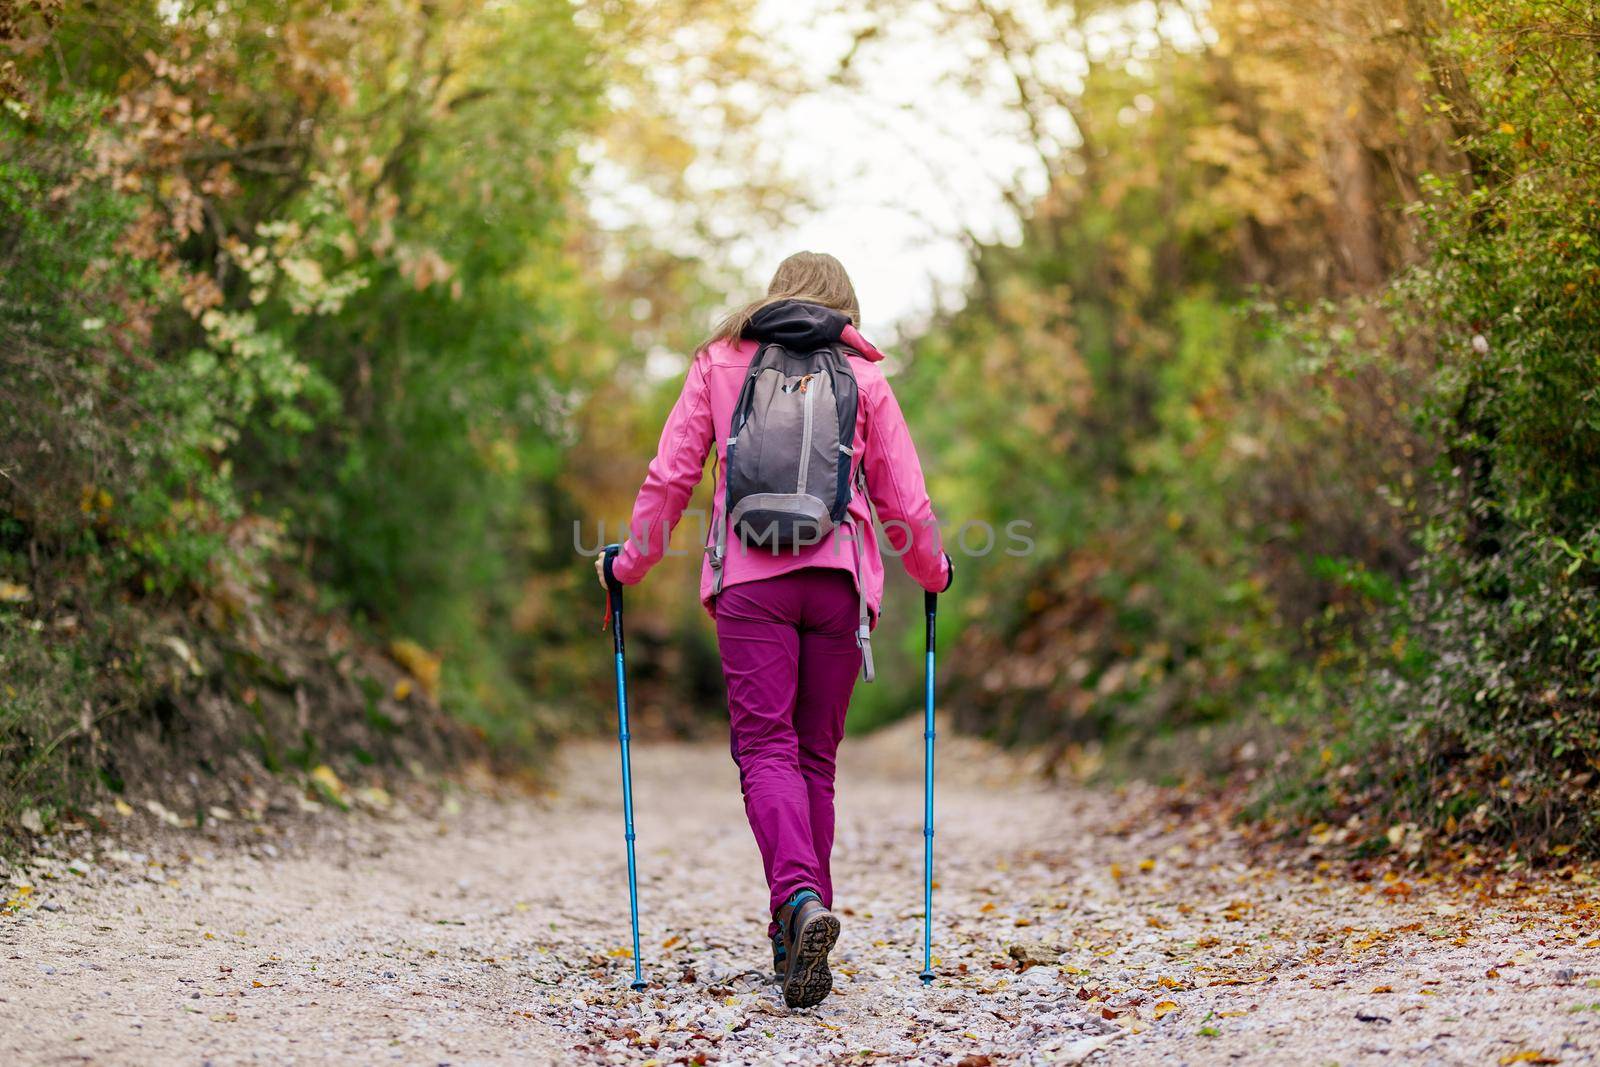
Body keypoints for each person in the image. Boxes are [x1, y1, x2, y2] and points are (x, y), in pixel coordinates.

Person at [595, 251, 951, 1008]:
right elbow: (906, 506)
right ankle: (798, 925)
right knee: (814, 758)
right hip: (837, 585)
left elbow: (670, 477)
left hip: (750, 584)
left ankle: (796, 905)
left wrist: (628, 565)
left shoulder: (720, 361)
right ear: (844, 307)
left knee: (765, 750)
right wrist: (934, 572)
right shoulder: (864, 376)